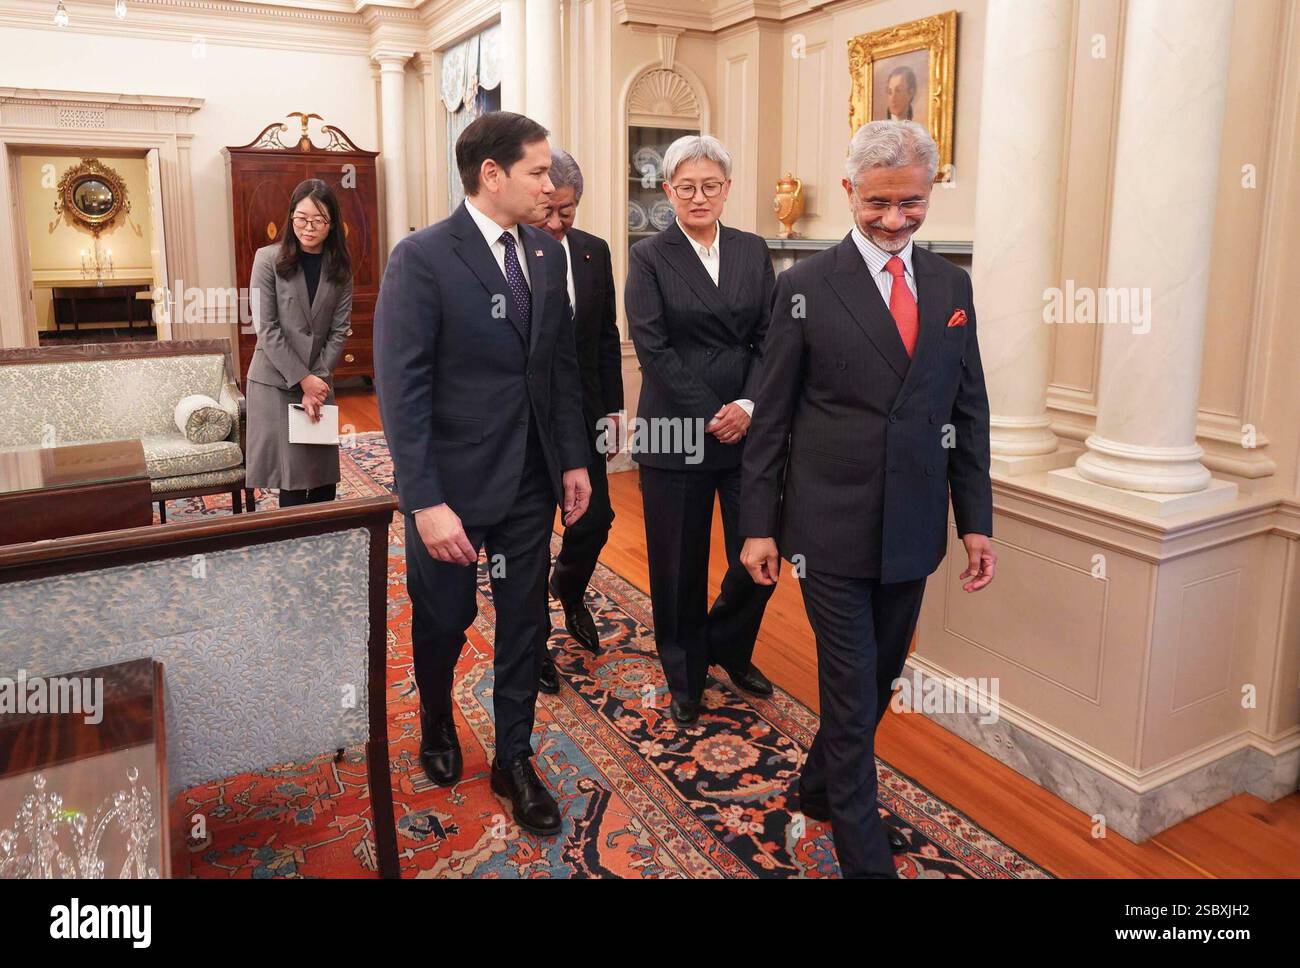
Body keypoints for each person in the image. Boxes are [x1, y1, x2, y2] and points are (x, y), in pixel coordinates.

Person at [739, 120, 996, 878]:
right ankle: (862, 853)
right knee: (850, 694)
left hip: (913, 530)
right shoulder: (804, 287)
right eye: (878, 202)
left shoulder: (953, 286)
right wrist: (758, 528)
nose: (895, 220)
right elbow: (770, 419)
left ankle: (818, 787)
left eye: (912, 203)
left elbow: (967, 412)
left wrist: (975, 522)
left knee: (880, 678)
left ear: (930, 192)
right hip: (828, 528)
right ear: (850, 191)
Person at [373, 111, 591, 837]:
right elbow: (402, 392)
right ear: (491, 174)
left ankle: (513, 759)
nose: (550, 184)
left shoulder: (548, 255)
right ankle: (437, 712)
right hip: (454, 492)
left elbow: (558, 366)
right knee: (445, 619)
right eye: (538, 171)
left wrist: (571, 458)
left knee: (525, 623)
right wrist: (425, 501)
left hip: (530, 481)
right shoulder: (423, 258)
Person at [625, 134, 777, 727]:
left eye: (710, 185)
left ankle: (728, 646)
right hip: (675, 430)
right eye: (685, 187)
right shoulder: (648, 255)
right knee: (678, 565)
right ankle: (685, 673)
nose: (698, 196)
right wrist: (715, 412)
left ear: (727, 189)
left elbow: (771, 338)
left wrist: (747, 406)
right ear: (667, 192)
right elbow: (652, 346)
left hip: (748, 428)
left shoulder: (752, 248)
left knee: (759, 556)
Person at [527, 148, 624, 695]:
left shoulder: (593, 252)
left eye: (570, 210)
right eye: (551, 210)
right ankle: (534, 641)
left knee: (595, 519)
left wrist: (612, 409)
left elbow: (606, 335)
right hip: (528, 417)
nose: (560, 222)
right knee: (533, 534)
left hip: (584, 411)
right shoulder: (516, 250)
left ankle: (569, 587)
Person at [245, 179, 353, 507]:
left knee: (322, 473)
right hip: (276, 378)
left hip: (318, 379)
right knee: (291, 476)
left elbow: (339, 330)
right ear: (291, 216)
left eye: (318, 220)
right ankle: (293, 544)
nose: (309, 227)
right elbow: (267, 328)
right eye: (301, 218)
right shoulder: (267, 260)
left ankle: (326, 540)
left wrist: (315, 381)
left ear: (332, 224)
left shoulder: (340, 269)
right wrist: (303, 380)